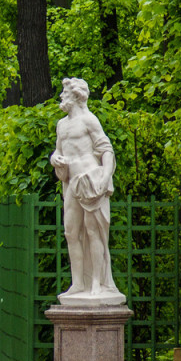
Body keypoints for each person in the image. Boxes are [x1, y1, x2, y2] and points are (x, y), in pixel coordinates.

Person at [50, 77, 122, 302]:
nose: (61, 96)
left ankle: (96, 283)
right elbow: (58, 151)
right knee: (71, 233)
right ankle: (78, 283)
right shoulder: (61, 125)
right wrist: (55, 159)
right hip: (72, 183)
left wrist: (105, 176)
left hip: (91, 182)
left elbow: (106, 150)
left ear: (76, 96)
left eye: (65, 93)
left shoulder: (90, 120)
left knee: (93, 232)